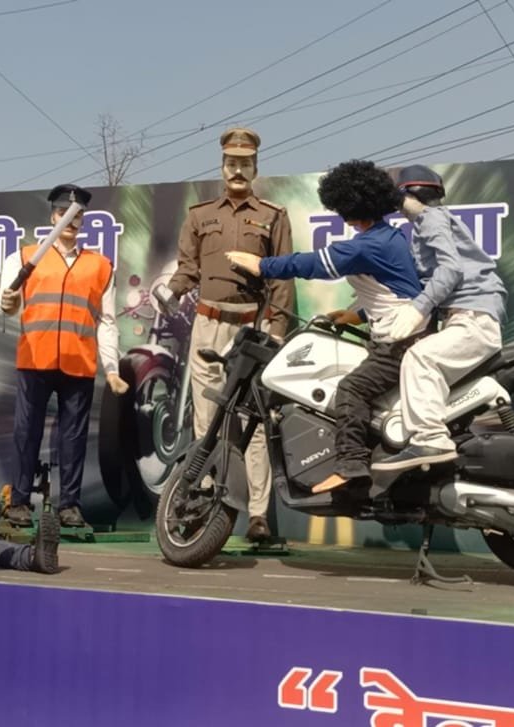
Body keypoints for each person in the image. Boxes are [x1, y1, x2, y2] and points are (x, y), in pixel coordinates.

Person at [225, 159, 424, 494]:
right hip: (401, 335)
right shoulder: (387, 237)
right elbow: (396, 291)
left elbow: (316, 263)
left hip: (399, 343)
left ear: (347, 205)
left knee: (351, 390)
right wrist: (357, 315)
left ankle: (351, 466)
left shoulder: (368, 245)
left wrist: (262, 265)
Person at [161, 127, 294, 541]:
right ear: (222, 167)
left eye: (245, 163)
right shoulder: (199, 215)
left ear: (255, 168)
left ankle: (258, 515)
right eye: (231, 163)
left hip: (252, 329)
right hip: (208, 324)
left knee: (253, 422)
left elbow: (283, 278)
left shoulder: (273, 215)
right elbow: (188, 269)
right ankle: (203, 501)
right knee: (205, 420)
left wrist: (276, 330)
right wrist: (171, 291)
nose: (238, 170)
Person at [0, 184, 127, 530]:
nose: (70, 220)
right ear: (52, 216)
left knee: (73, 437)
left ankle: (69, 505)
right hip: (34, 360)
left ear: (83, 220)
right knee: (26, 433)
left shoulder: (100, 266)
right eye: (62, 213)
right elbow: (7, 302)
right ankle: (19, 502)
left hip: (78, 362)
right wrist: (7, 304)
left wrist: (112, 369)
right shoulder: (24, 257)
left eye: (77, 215)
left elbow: (107, 321)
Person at [374, 164, 508, 472]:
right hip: (465, 316)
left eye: (398, 199)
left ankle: (431, 439)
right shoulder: (426, 225)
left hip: (473, 317)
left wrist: (418, 308)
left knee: (420, 358)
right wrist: (357, 314)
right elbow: (422, 283)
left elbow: (451, 270)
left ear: (409, 193)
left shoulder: (431, 219)